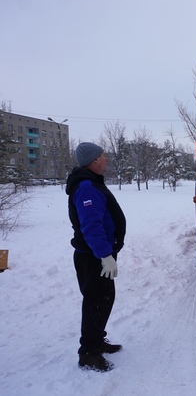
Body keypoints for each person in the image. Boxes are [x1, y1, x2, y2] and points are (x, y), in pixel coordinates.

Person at [66, 142, 126, 371]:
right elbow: (91, 226)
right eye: (103, 155)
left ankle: (97, 340)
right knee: (95, 302)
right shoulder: (86, 187)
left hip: (98, 255)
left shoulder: (91, 183)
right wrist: (104, 255)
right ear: (93, 161)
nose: (106, 158)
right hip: (93, 258)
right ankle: (88, 352)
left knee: (103, 299)